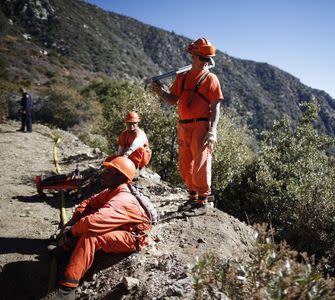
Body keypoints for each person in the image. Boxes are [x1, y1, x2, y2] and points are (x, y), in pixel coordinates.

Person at [45, 156, 152, 300]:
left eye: (108, 171)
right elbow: (88, 203)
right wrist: (73, 220)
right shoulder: (113, 190)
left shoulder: (122, 199)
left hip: (133, 237)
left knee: (91, 236)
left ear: (120, 176)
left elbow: (94, 222)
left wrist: (72, 231)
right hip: (122, 226)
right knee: (86, 216)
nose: (103, 174)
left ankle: (66, 291)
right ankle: (65, 250)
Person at [151, 37, 224, 216]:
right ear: (193, 56)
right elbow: (172, 100)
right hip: (183, 126)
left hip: (201, 125)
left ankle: (202, 200)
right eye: (203, 58)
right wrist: (160, 91)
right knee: (185, 164)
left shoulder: (211, 78)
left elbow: (215, 107)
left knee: (201, 162)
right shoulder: (182, 77)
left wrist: (212, 130)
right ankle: (192, 196)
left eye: (208, 59)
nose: (206, 62)